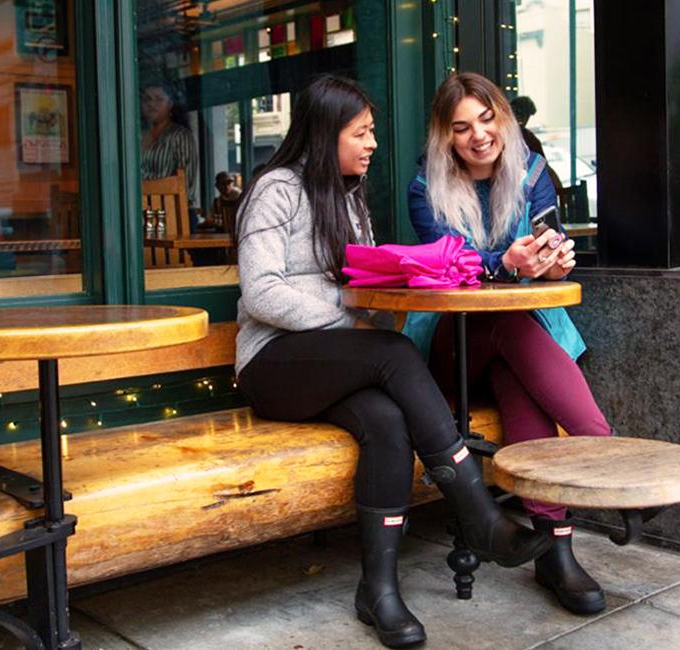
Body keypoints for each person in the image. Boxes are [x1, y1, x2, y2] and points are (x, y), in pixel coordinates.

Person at [235, 74, 552, 648]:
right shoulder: (275, 189)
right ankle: (476, 510)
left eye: (372, 132)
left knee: (386, 421)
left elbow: (365, 292)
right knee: (394, 352)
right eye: (361, 133)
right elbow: (261, 293)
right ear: (326, 133)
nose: (373, 143)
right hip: (274, 363)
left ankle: (377, 591)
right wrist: (352, 323)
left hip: (334, 361)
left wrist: (384, 303)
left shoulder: (352, 200)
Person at [406, 72, 612, 616]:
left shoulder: (534, 174)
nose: (478, 135)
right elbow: (449, 272)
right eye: (461, 127)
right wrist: (505, 265)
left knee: (517, 379)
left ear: (503, 116)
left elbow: (550, 243)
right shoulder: (425, 189)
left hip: (515, 349)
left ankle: (555, 551)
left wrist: (552, 264)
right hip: (452, 352)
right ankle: (604, 448)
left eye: (486, 117)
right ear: (445, 137)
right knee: (501, 321)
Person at [140, 81, 198, 208]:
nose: (151, 104)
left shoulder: (180, 135)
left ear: (170, 104)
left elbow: (185, 185)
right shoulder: (135, 137)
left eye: (159, 99)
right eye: (147, 99)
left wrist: (143, 185)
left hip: (173, 213)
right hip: (140, 211)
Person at [509, 95, 546, 159]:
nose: (524, 120)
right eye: (517, 114)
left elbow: (541, 163)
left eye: (527, 116)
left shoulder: (530, 138)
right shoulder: (501, 135)